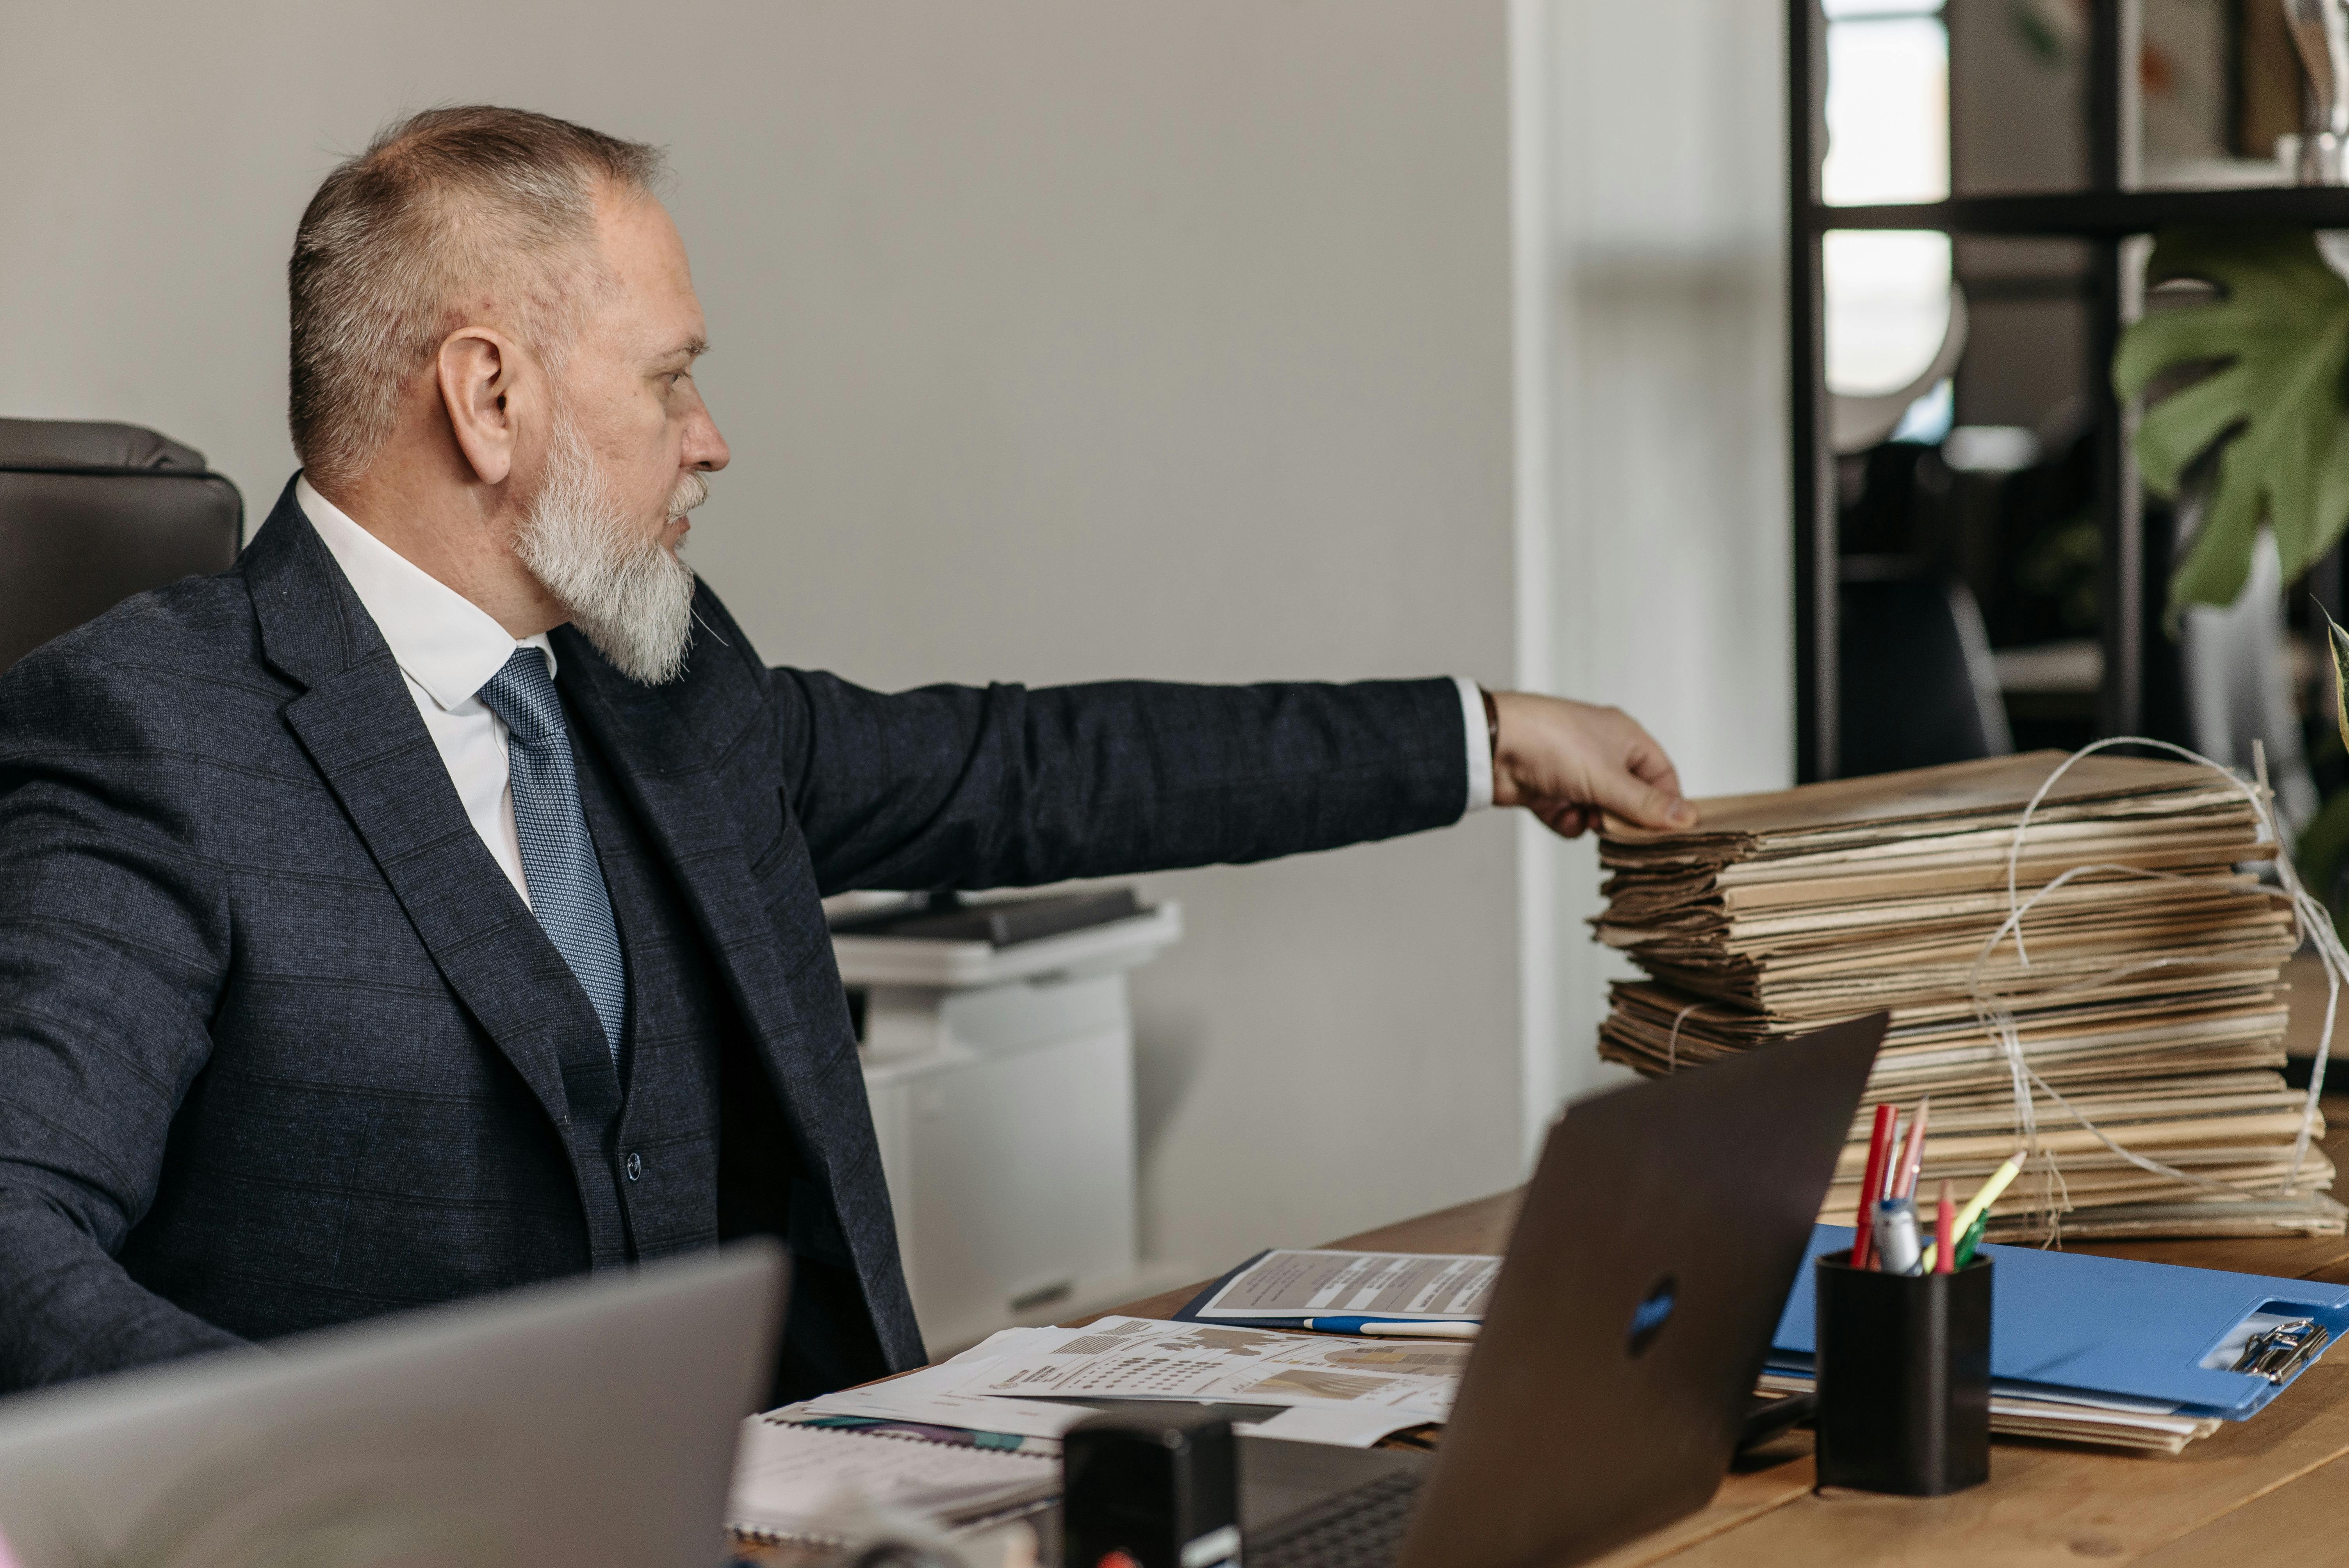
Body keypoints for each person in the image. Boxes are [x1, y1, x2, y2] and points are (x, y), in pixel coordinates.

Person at [0, 107, 1695, 1400]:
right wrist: (335, 1488)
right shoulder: (152, 735)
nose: (710, 438)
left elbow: (1024, 770)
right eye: (670, 378)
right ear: (488, 398)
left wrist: (1483, 734)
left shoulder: (658, 685)